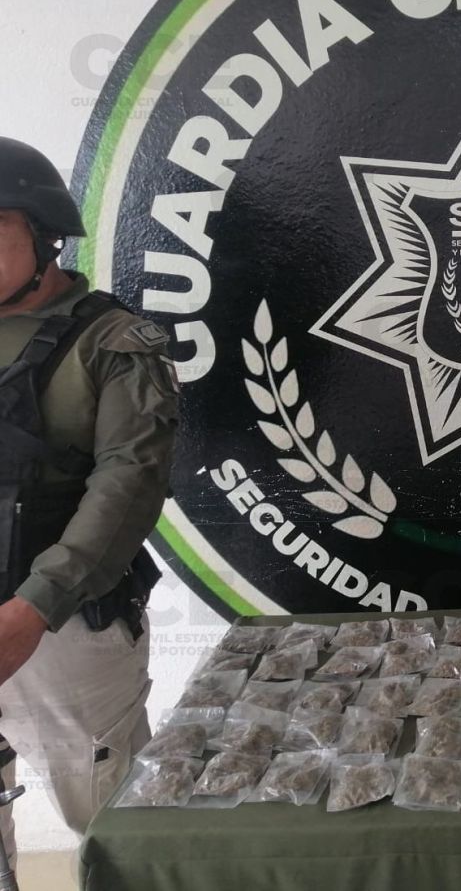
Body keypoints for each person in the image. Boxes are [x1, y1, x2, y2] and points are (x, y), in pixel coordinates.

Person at [0, 136, 178, 865]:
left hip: (62, 632)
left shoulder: (112, 342)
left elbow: (128, 483)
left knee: (114, 836)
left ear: (45, 235)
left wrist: (34, 606)